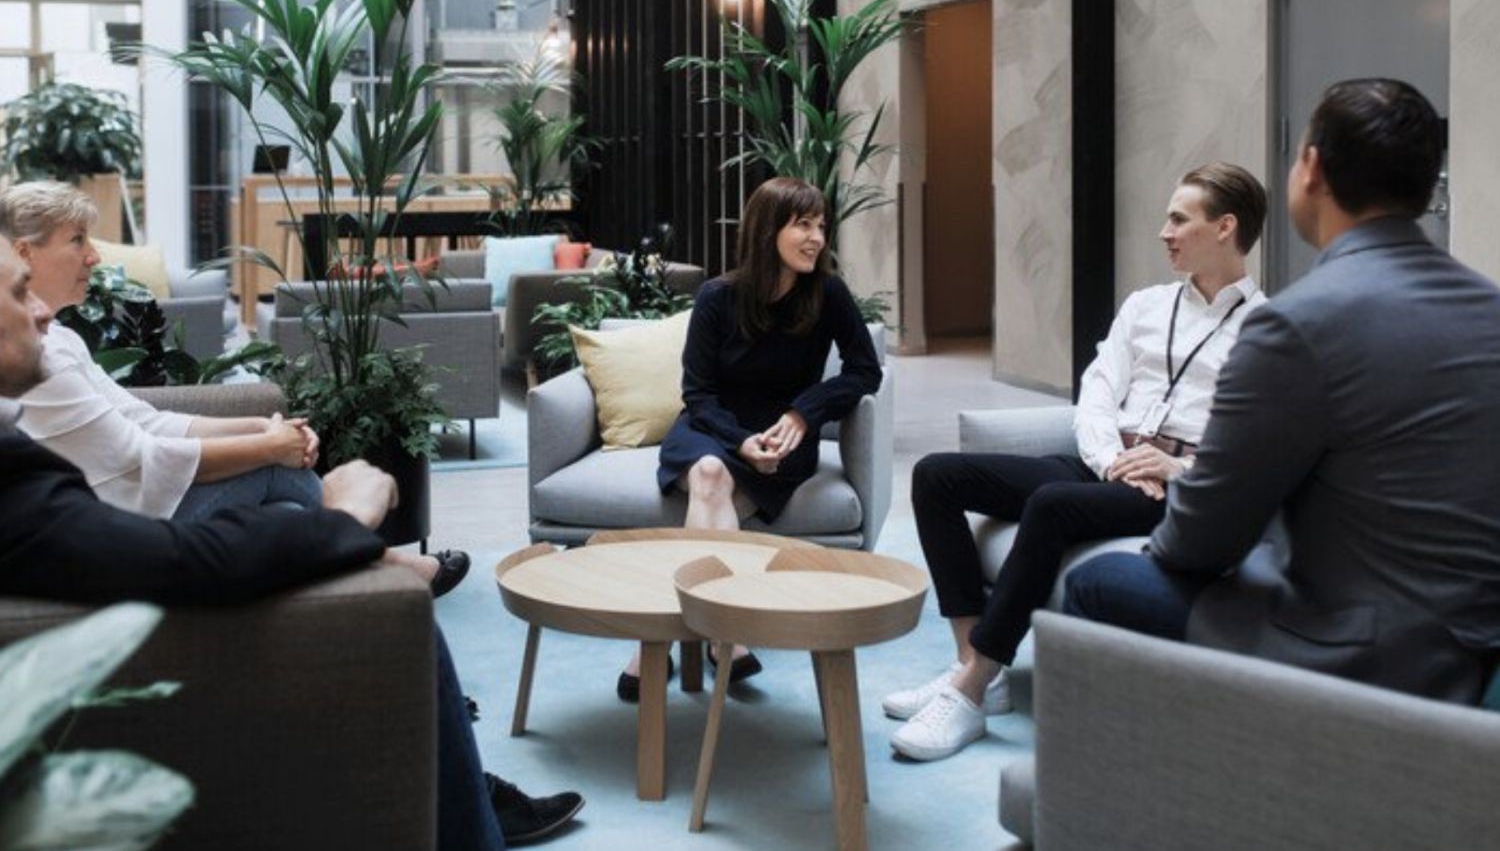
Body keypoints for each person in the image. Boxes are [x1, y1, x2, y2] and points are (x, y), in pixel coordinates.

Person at [0, 239, 583, 848]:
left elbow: (137, 432)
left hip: (123, 590)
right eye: (18, 292)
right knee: (388, 609)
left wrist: (264, 439)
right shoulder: (10, 476)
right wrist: (344, 516)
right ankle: (469, 810)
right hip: (131, 645)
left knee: (308, 525)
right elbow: (176, 560)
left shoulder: (37, 397)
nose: (40, 310)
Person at [1065, 79, 1500, 705]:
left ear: (1311, 170)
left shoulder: (1295, 323)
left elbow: (1200, 541)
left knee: (1099, 581)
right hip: (1477, 641)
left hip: (1366, 652)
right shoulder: (1487, 307)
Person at [886, 163, 1268, 761]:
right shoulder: (1147, 305)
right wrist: (1112, 459)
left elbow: (1256, 445)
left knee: (1052, 504)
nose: (1164, 232)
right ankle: (972, 665)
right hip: (1109, 461)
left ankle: (970, 690)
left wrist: (1177, 471)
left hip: (1175, 486)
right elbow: (1097, 391)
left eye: (1178, 219)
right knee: (937, 476)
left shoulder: (1264, 328)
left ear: (1225, 227)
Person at [0, 181, 467, 596]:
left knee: (288, 508)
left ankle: (373, 575)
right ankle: (384, 562)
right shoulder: (41, 360)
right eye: (77, 240)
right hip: (128, 521)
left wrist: (258, 426)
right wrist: (269, 447)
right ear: (24, 253)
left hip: (128, 507)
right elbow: (142, 456)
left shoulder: (61, 338)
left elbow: (143, 418)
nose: (95, 256)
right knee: (272, 473)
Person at [617, 177, 882, 700]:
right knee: (709, 474)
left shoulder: (827, 293)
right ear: (768, 230)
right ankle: (726, 638)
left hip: (784, 439)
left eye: (821, 225)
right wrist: (740, 442)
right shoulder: (718, 297)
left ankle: (659, 640)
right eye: (802, 225)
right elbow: (697, 393)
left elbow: (864, 370)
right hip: (713, 430)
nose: (816, 238)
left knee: (710, 496)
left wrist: (804, 414)